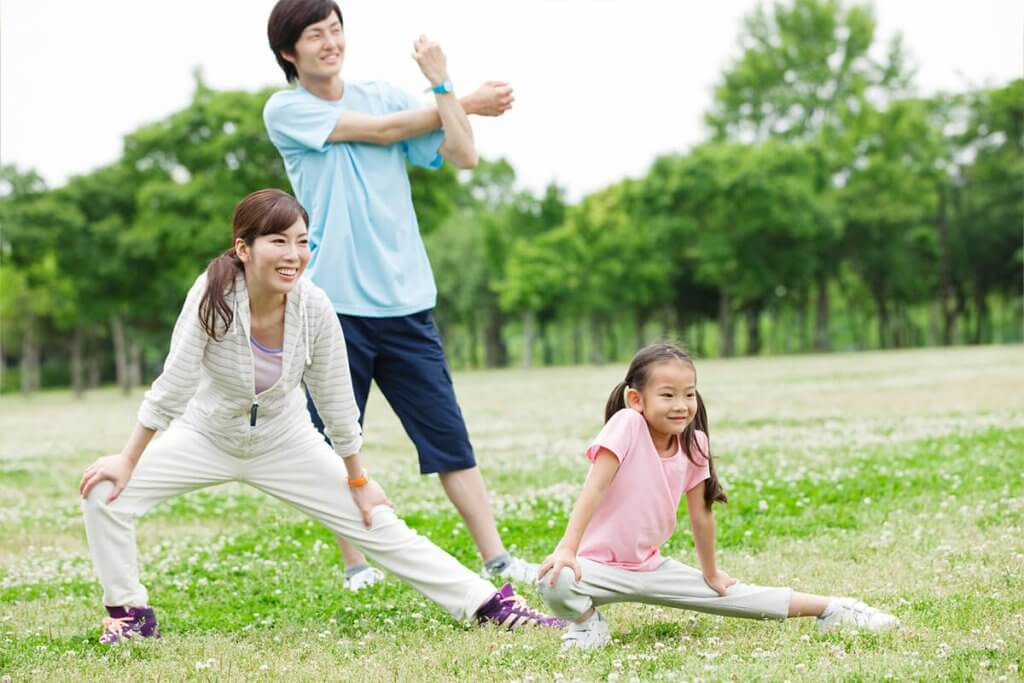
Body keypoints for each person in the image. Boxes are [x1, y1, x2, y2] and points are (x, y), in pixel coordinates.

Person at [78, 189, 563, 644]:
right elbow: (174, 383)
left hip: (285, 440)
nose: (293, 254)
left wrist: (359, 480)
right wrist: (128, 459)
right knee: (105, 492)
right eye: (277, 241)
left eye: (302, 242)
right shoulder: (213, 295)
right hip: (206, 435)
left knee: (379, 523)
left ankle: (487, 605)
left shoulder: (314, 306)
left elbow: (335, 402)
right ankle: (130, 616)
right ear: (243, 248)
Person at [262, 0, 534, 592]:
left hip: (406, 298)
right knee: (337, 440)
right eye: (315, 35)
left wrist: (442, 86)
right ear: (290, 51)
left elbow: (464, 155)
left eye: (336, 30)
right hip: (333, 304)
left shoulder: (387, 94)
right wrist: (461, 102)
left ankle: (498, 560)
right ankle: (356, 564)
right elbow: (384, 132)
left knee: (447, 436)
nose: (330, 42)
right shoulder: (287, 109)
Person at [535, 343, 900, 649]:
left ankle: (836, 608)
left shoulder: (694, 442)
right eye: (667, 395)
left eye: (689, 394)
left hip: (650, 566)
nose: (681, 405)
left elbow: (701, 514)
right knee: (553, 581)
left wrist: (710, 573)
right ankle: (587, 624)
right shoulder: (627, 425)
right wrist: (568, 549)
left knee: (735, 595)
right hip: (598, 567)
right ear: (636, 399)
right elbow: (594, 489)